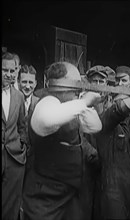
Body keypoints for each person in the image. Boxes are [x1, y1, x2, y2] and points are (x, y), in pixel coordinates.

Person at [22, 61, 103, 220]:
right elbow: (47, 119)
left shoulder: (69, 106)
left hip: (70, 193)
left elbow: (95, 127)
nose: (78, 88)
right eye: (74, 83)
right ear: (62, 84)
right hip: (45, 198)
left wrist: (85, 104)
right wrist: (84, 102)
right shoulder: (46, 102)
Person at [94, 72, 130, 219]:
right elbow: (118, 111)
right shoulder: (104, 124)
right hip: (112, 193)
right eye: (118, 101)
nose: (126, 110)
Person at [2, 52, 28, 220]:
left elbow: (22, 126)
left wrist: (22, 145)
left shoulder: (19, 96)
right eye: (5, 70)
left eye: (12, 71)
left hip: (14, 159)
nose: (9, 75)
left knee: (10, 208)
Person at [18, 65, 40, 172]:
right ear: (18, 82)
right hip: (15, 157)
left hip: (34, 159)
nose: (27, 86)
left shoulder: (39, 103)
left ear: (35, 83)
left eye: (30, 82)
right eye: (24, 82)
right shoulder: (12, 102)